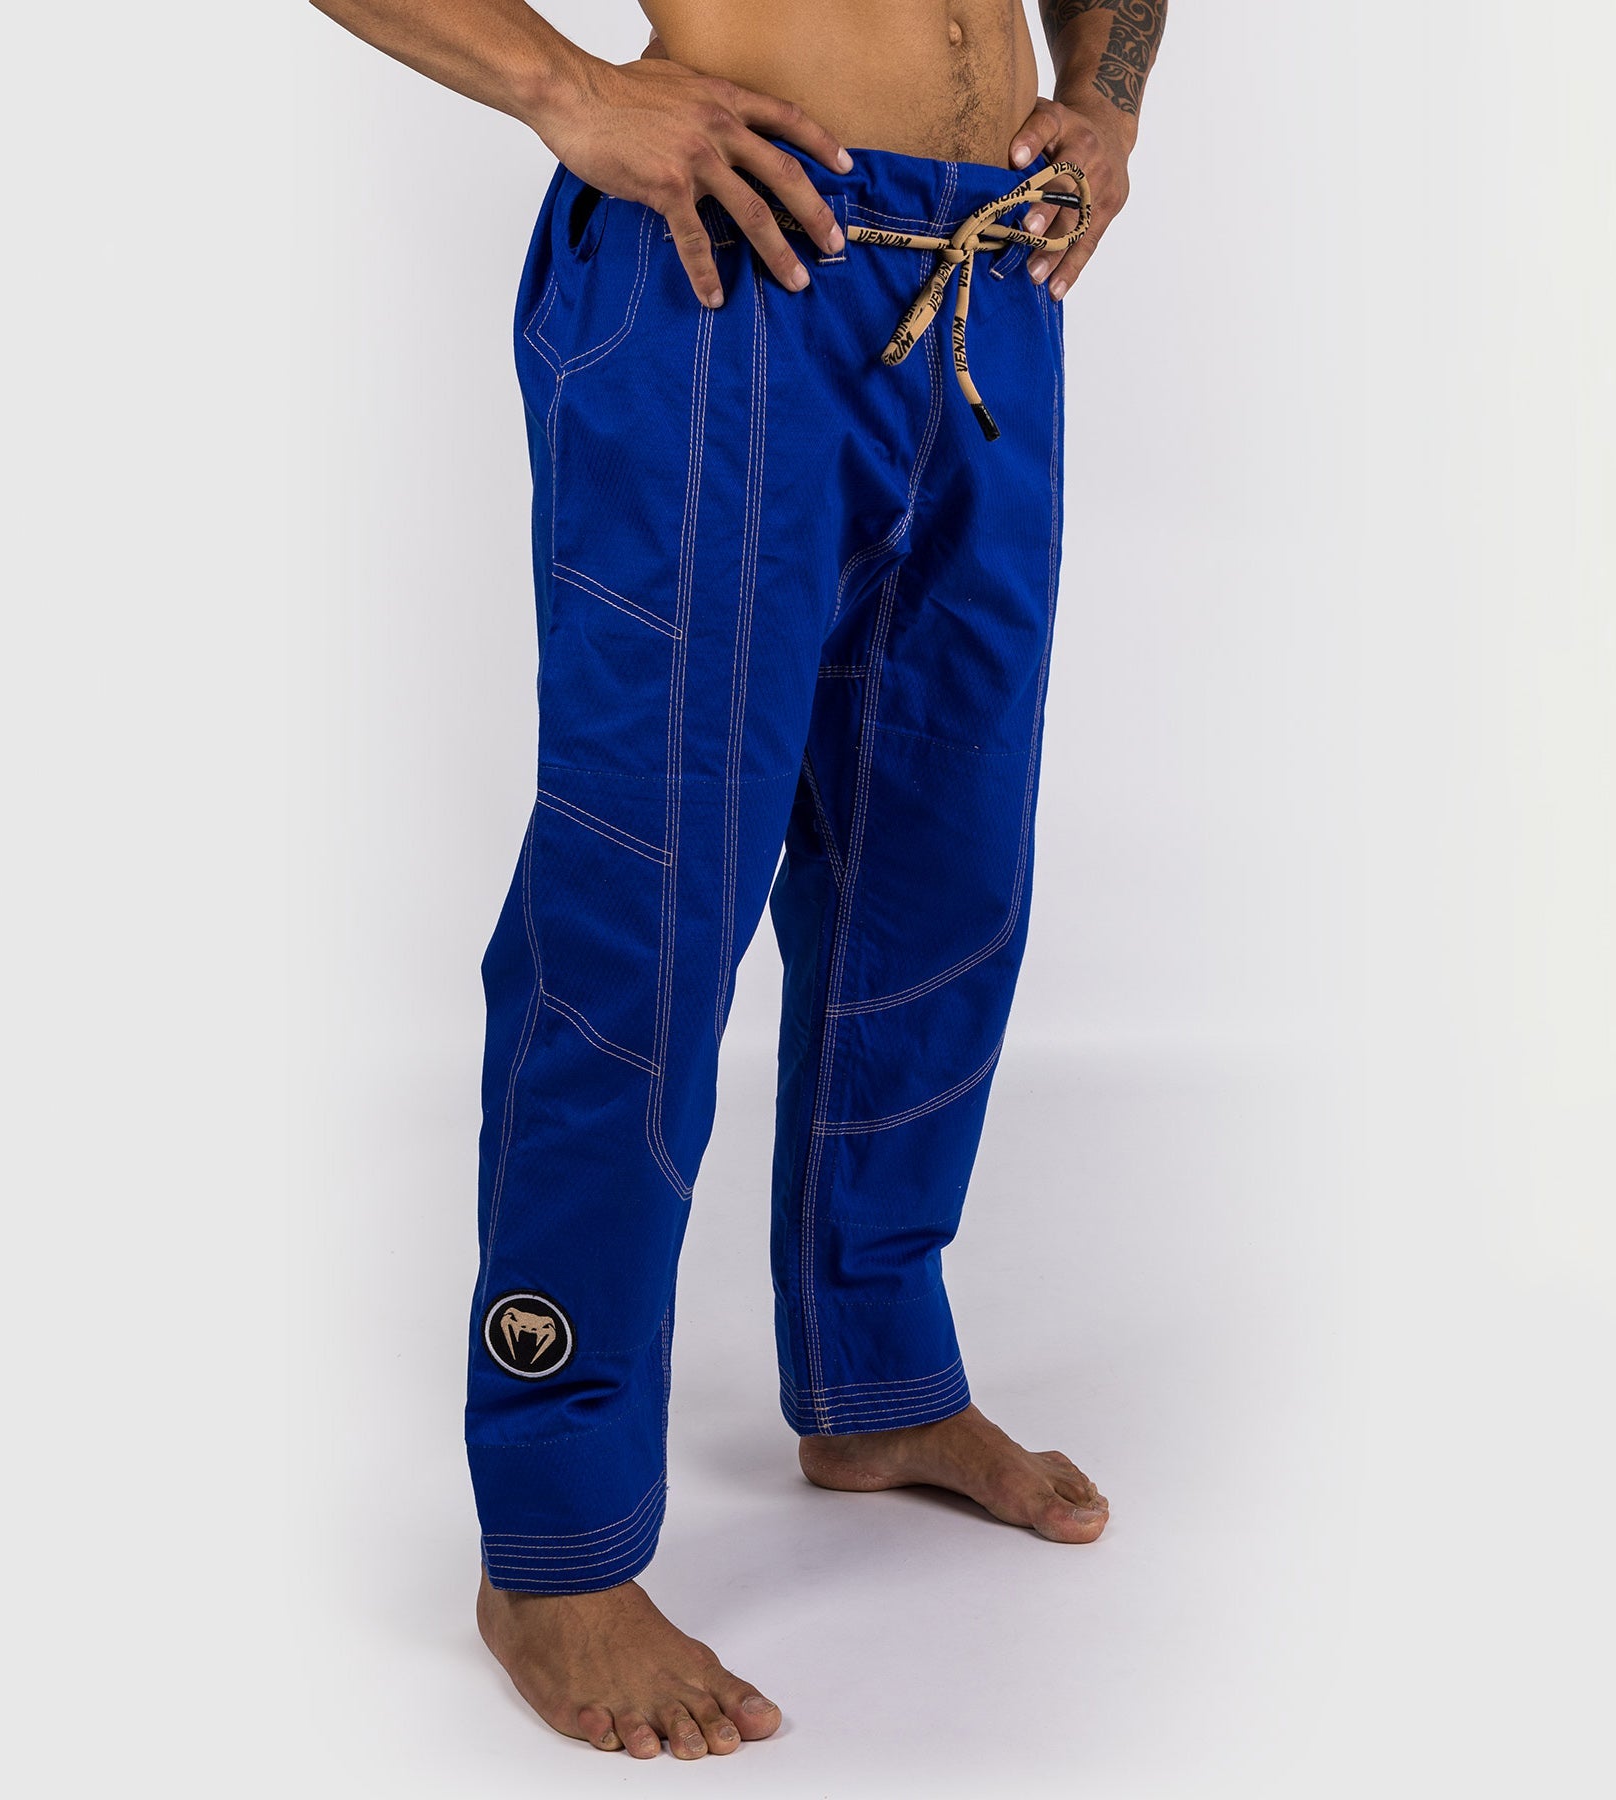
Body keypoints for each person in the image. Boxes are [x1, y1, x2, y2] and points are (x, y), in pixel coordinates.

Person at [312, 0, 1167, 1761]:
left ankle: (878, 1378)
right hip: (734, 262)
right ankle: (555, 1544)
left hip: (993, 275)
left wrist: (1103, 96)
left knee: (938, 870)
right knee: (646, 897)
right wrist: (563, 88)